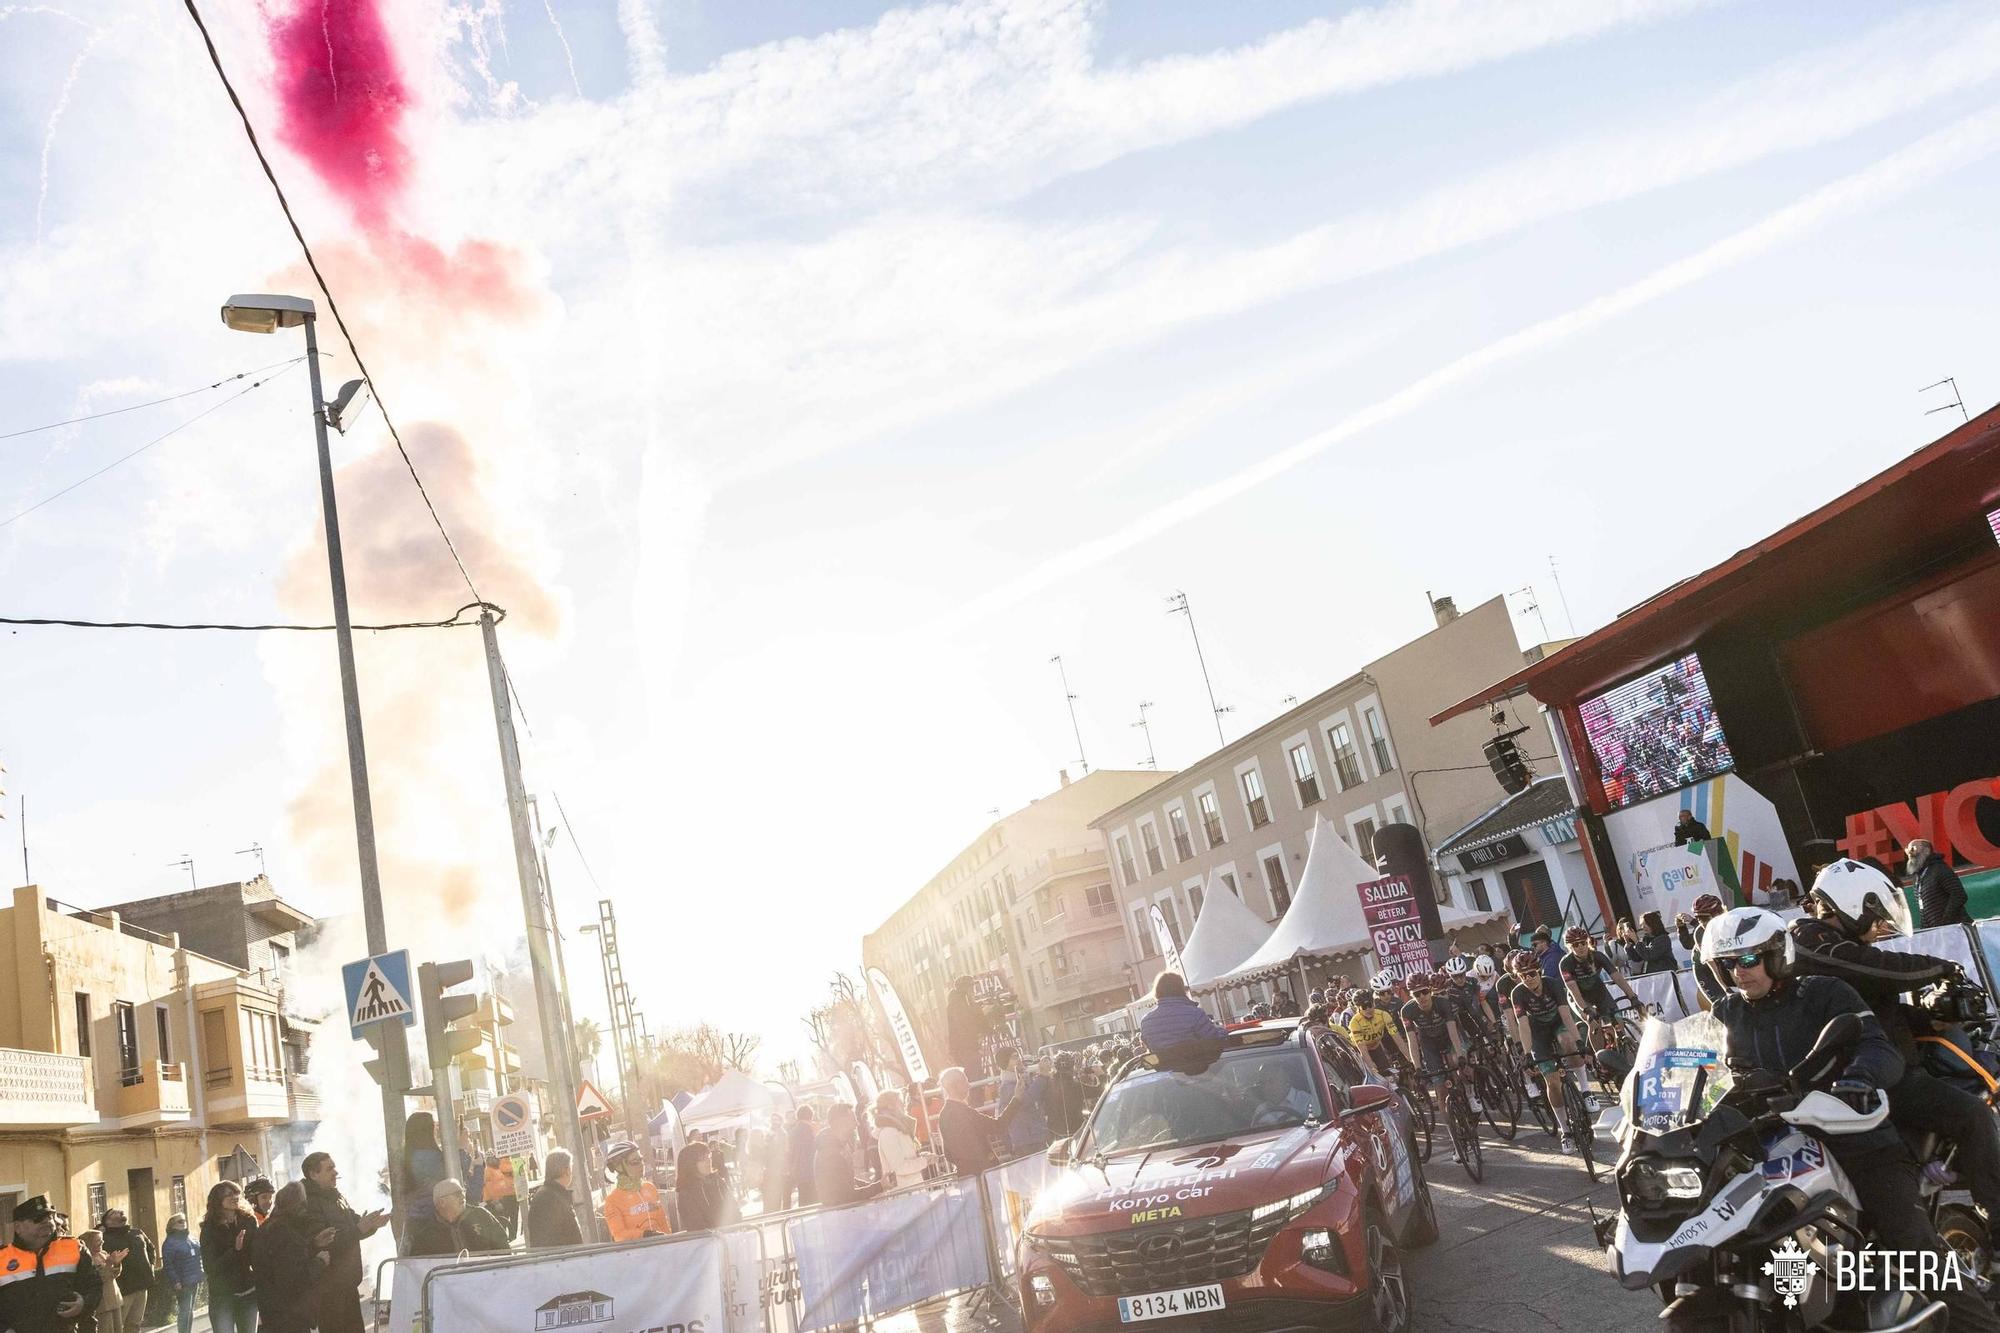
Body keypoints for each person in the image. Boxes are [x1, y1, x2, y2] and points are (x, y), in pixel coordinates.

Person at [1696, 906, 2000, 1333]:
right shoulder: (1727, 1013)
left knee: (1914, 1249)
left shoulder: (1824, 992)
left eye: (1748, 959)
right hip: (1772, 1151)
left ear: (1777, 955)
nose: (1738, 972)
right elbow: (1705, 1071)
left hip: (1857, 1140)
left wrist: (1859, 1077)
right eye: (1726, 964)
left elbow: (1879, 1048)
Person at [1788, 858, 2000, 1232]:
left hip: (1878, 1069)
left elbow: (1875, 1008)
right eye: (1876, 915)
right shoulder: (1807, 938)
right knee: (1972, 1115)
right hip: (1863, 1079)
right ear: (1853, 903)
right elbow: (1869, 967)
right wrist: (1941, 966)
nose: (1879, 927)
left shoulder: (1839, 946)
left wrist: (1930, 1019)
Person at [299, 1151, 389, 1333]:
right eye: (329, 1168)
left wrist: (372, 1224)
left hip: (347, 1283)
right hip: (330, 1289)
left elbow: (354, 1224)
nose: (335, 1172)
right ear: (313, 1174)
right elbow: (325, 1243)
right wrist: (359, 1229)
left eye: (334, 1166)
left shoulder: (336, 1196)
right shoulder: (309, 1203)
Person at [1505, 952, 1582, 1154]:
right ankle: (1566, 1132)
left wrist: (1579, 1041)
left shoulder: (1553, 984)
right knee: (1552, 1082)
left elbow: (1566, 1016)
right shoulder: (1518, 993)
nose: (1528, 978)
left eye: (1531, 973)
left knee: (1567, 1041)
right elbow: (1523, 1025)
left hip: (1557, 1024)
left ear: (1539, 971)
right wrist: (1528, 1054)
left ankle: (1586, 1090)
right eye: (1523, 976)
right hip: (1538, 1032)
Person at [0, 1196, 100, 1333]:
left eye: (50, 1217)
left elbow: (94, 1286)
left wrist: (84, 1303)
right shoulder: (2, 1257)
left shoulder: (74, 1247)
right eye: (38, 1219)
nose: (46, 1222)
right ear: (18, 1227)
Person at [250, 1183, 335, 1333]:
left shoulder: (270, 1228)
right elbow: (293, 1278)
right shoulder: (285, 1232)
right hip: (289, 1314)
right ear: (299, 1205)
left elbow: (284, 1259)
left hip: (272, 1311)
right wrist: (319, 1262)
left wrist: (313, 1244)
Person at [197, 1182, 258, 1333]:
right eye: (228, 1194)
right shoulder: (209, 1229)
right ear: (218, 1200)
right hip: (222, 1296)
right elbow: (210, 1267)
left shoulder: (248, 1220)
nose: (234, 1197)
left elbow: (258, 1254)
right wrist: (234, 1251)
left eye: (236, 1193)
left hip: (248, 1291)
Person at [937, 1066, 1017, 1174]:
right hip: (982, 1173)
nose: (969, 1085)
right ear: (956, 1085)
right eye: (965, 1082)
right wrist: (1017, 1099)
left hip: (967, 1175)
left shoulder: (944, 1115)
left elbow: (948, 1154)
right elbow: (998, 1126)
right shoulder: (963, 1113)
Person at [1137, 971, 1227, 1067]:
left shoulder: (1146, 1022)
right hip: (1197, 1068)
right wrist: (1223, 1031)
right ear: (1181, 989)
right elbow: (1213, 1040)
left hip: (1166, 1072)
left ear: (1157, 991)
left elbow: (1150, 1048)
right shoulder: (1195, 1014)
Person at [406, 1180, 509, 1257]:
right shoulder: (427, 1231)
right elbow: (419, 1266)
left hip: (486, 1278)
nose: (463, 1197)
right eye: (457, 1194)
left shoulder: (480, 1215)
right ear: (442, 1202)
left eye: (462, 1192)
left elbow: (503, 1245)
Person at [97, 1207, 155, 1333]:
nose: (120, 1212)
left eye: (120, 1211)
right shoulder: (105, 1238)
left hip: (141, 1287)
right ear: (107, 1221)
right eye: (114, 1213)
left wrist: (150, 1268)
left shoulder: (137, 1232)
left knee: (135, 1325)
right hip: (123, 1290)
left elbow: (151, 1249)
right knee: (118, 1326)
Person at [814, 1103, 880, 1206]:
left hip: (843, 1211)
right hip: (839, 1214)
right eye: (853, 1119)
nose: (857, 1124)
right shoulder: (830, 1154)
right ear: (841, 1122)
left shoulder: (839, 1146)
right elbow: (846, 1196)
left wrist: (871, 1185)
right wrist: (879, 1187)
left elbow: (845, 1179)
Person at [602, 1140, 670, 1241]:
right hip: (636, 1254)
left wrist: (670, 1241)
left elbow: (663, 1222)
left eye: (641, 1160)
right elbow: (619, 1235)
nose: (641, 1165)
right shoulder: (612, 1201)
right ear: (619, 1167)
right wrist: (644, 1235)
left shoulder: (650, 1188)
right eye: (635, 1162)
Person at [400, 1111, 448, 1246]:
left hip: (415, 1219)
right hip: (435, 1217)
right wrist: (461, 1151)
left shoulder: (408, 1155)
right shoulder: (431, 1156)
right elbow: (450, 1183)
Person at [874, 1088, 930, 1189]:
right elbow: (900, 1167)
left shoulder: (897, 1130)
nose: (904, 1105)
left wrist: (920, 1157)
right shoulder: (889, 1133)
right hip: (906, 1193)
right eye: (900, 1102)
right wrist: (925, 1160)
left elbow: (903, 1158)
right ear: (890, 1106)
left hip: (912, 1189)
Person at [1907, 838, 1971, 928]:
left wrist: (1945, 921)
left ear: (1926, 850)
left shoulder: (1939, 869)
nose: (1910, 853)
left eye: (1913, 849)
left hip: (1955, 929)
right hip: (1938, 931)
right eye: (1908, 850)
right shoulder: (1919, 877)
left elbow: (1959, 895)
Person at [527, 1150, 583, 1249]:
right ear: (566, 1170)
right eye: (570, 1168)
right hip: (560, 1260)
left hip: (557, 1259)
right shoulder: (552, 1198)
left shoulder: (547, 1193)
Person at [159, 1214, 201, 1333]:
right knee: (185, 1310)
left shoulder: (191, 1238)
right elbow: (168, 1264)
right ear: (172, 1225)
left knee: (190, 1310)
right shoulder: (170, 1242)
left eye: (184, 1220)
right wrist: (176, 1281)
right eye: (180, 1221)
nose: (183, 1222)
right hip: (183, 1282)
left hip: (194, 1279)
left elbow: (199, 1255)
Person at [77, 1228, 124, 1330]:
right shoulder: (87, 1259)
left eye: (102, 1239)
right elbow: (98, 1278)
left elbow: (114, 1274)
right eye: (98, 1240)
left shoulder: (103, 1254)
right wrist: (109, 1264)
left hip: (114, 1298)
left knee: (118, 1329)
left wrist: (116, 1263)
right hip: (102, 1303)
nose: (102, 1242)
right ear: (89, 1242)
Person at [945, 976, 991, 1078]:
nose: (973, 990)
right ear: (965, 989)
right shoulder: (959, 1004)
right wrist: (981, 1013)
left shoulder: (960, 1003)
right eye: (971, 987)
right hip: (966, 1048)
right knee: (974, 1076)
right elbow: (966, 1024)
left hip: (965, 1048)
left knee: (975, 1075)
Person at [675, 1144, 723, 1230]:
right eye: (703, 1159)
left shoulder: (717, 1181)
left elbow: (733, 1207)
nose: (708, 1161)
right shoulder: (686, 1194)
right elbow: (696, 1226)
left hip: (732, 1234)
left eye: (709, 1157)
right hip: (707, 1240)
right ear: (691, 1164)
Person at [482, 1154, 519, 1239]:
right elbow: (489, 1186)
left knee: (509, 1218)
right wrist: (496, 1201)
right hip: (502, 1197)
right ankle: (506, 1238)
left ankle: (510, 1237)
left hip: (508, 1195)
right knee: (505, 1219)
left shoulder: (499, 1166)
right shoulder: (491, 1169)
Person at [1629, 910, 1676, 976]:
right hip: (1652, 976)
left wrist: (1636, 941)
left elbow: (1650, 955)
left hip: (1665, 974)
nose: (1643, 927)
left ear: (1653, 923)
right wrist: (1628, 943)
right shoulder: (1645, 939)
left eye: (1645, 923)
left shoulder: (1663, 938)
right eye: (1641, 925)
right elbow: (1638, 958)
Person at [761, 1110, 792, 1211]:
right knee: (776, 1193)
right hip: (772, 1168)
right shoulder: (769, 1133)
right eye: (773, 1120)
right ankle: (778, 1213)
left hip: (781, 1167)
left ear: (781, 1121)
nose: (774, 1122)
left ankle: (786, 1213)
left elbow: (786, 1150)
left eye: (776, 1120)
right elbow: (765, 1150)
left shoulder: (783, 1133)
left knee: (785, 1193)